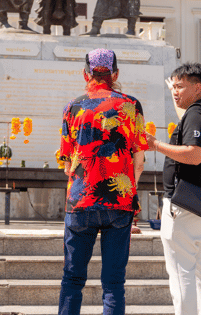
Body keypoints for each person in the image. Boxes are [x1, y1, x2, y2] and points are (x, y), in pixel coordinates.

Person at [58, 48, 147, 315]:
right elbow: (139, 161)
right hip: (119, 204)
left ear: (85, 74)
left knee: (72, 279)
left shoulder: (73, 107)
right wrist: (127, 188)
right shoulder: (131, 105)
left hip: (81, 201)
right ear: (115, 74)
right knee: (113, 283)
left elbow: (66, 164)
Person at [145, 63, 201, 315]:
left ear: (198, 87)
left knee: (181, 272)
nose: (175, 92)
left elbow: (193, 155)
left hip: (185, 204)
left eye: (181, 86)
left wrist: (155, 144)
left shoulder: (196, 114)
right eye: (173, 87)